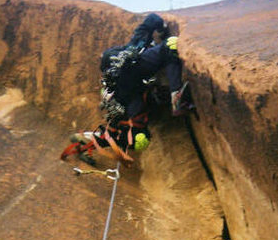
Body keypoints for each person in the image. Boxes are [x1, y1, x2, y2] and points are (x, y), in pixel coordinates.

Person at [61, 13, 190, 166]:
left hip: (122, 91)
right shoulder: (136, 47)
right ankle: (176, 96)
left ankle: (85, 142)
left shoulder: (131, 53)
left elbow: (114, 128)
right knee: (171, 45)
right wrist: (162, 30)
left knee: (126, 125)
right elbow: (152, 20)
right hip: (130, 82)